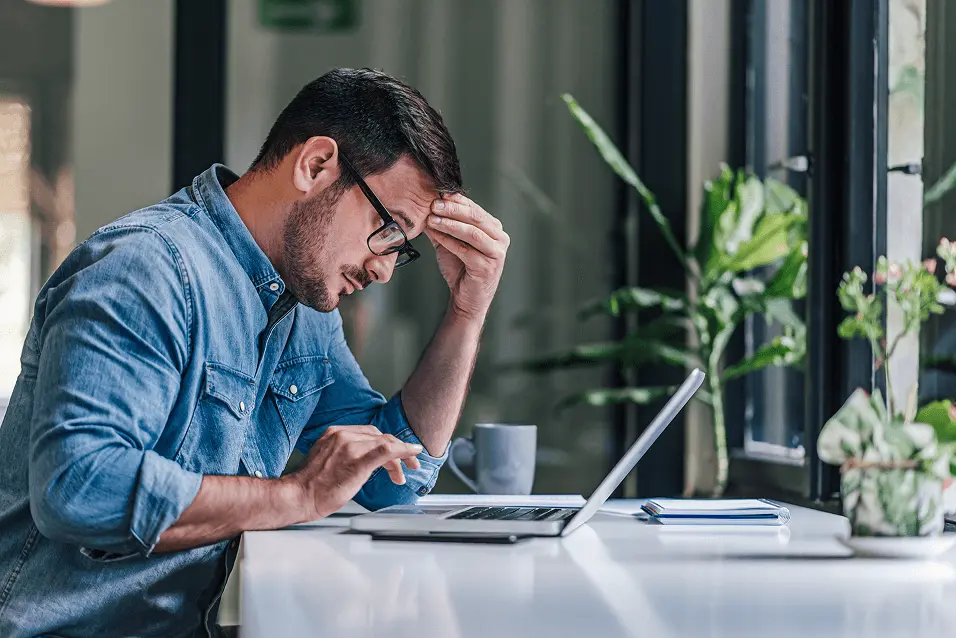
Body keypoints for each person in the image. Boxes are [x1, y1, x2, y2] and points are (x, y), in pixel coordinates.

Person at [0, 68, 509, 637]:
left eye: (402, 248)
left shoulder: (303, 310)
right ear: (315, 165)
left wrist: (468, 311)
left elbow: (392, 480)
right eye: (387, 229)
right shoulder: (146, 269)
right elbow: (80, 488)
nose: (384, 268)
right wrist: (298, 493)